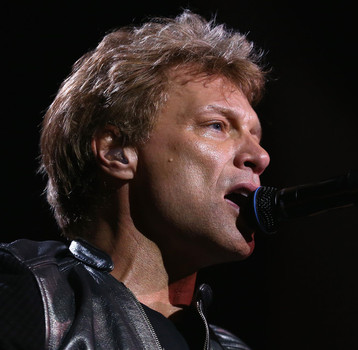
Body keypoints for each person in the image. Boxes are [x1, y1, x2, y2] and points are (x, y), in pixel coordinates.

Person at [0, 10, 270, 350]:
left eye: (256, 136)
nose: (260, 156)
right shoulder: (30, 298)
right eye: (217, 125)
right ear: (117, 152)